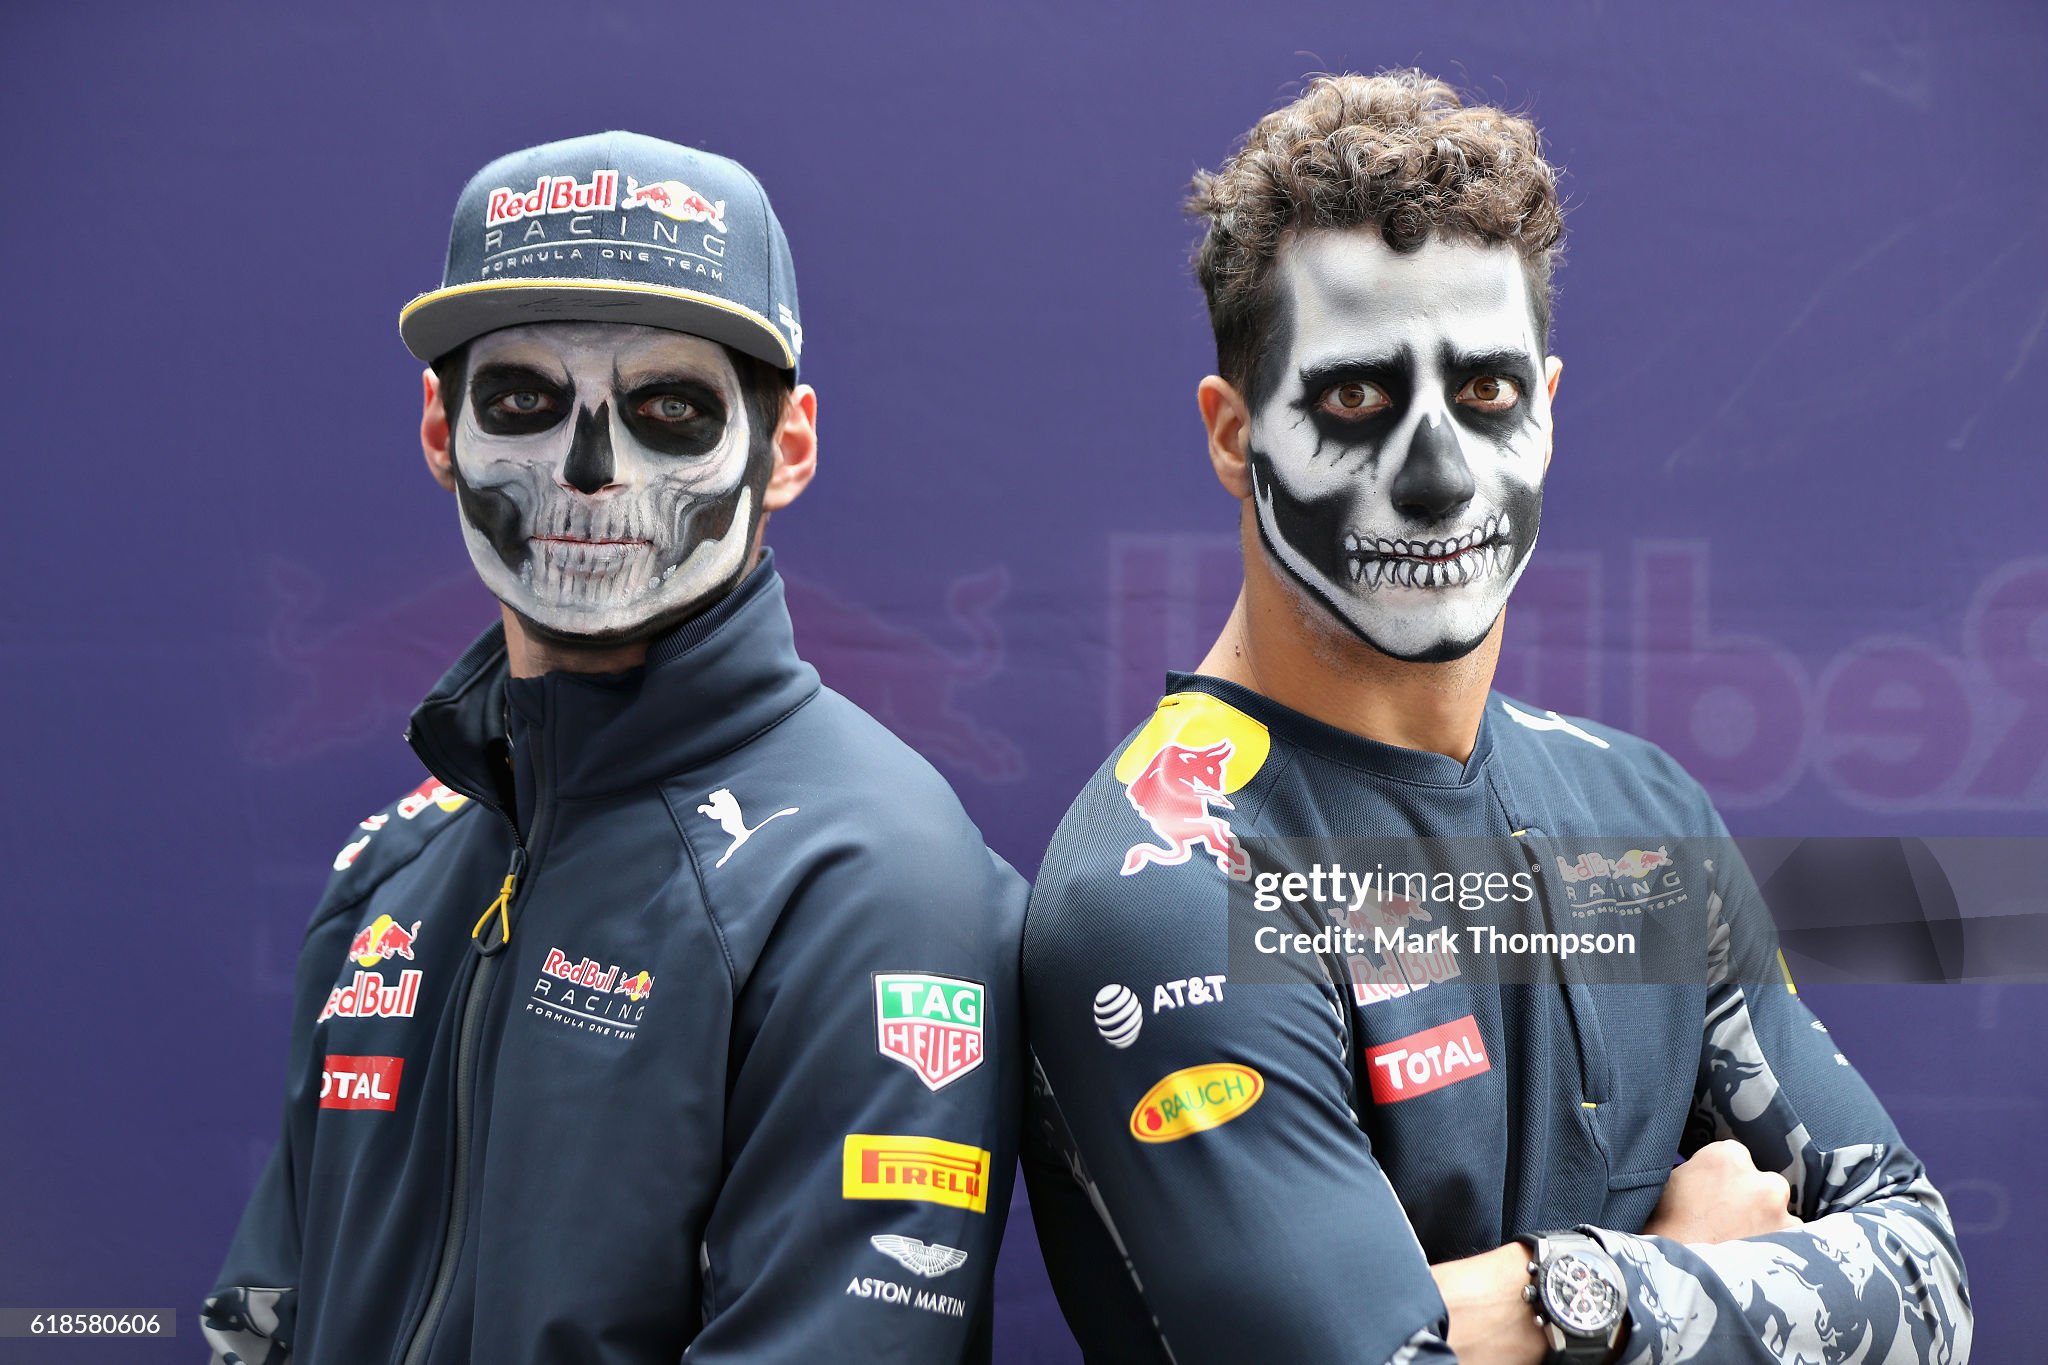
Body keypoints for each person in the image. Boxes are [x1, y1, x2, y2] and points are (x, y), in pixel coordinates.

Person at [1020, 74, 1971, 1364]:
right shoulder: (1171, 876)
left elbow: (1923, 1279)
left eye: (1484, 395)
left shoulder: (1636, 816)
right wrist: (1660, 1273)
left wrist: (1534, 1307)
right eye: (1355, 398)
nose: (1434, 477)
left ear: (1548, 409)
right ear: (1233, 436)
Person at [205, 131, 1025, 1364]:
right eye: (524, 402)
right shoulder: (393, 870)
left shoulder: (878, 885)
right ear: (440, 431)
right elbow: (264, 1320)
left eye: (670, 411)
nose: (590, 475)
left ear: (785, 448)